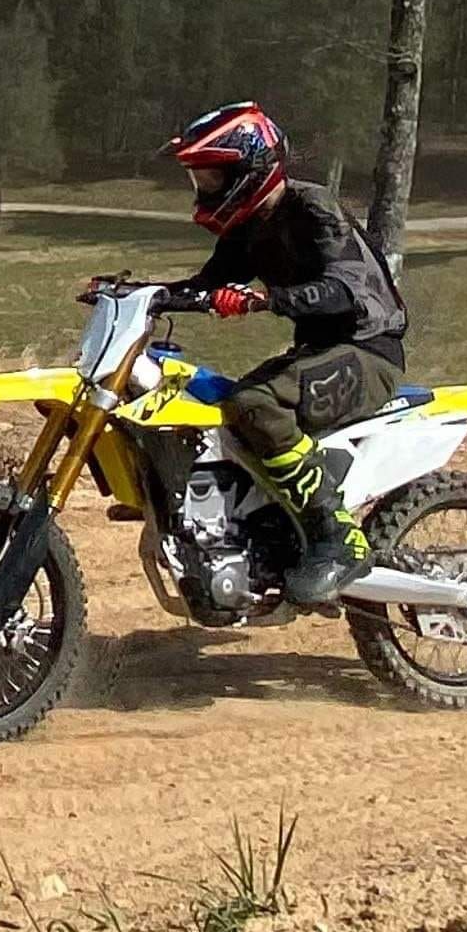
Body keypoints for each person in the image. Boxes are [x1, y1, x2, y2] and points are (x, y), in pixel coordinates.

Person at [162, 102, 408, 604]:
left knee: (257, 402)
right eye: (200, 179)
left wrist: (265, 299)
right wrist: (141, 294)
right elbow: (208, 285)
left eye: (212, 177)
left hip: (367, 353)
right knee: (223, 403)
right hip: (320, 354)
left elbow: (344, 288)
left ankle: (337, 538)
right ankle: (267, 534)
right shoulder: (247, 228)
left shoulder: (312, 208)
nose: (205, 189)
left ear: (249, 169)